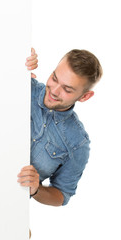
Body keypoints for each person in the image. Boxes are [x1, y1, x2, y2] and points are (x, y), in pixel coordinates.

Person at [17, 48, 103, 206]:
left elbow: (62, 195)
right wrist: (17, 58)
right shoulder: (21, 86)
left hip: (7, 213)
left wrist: (36, 189)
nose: (54, 91)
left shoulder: (78, 143)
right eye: (54, 78)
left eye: (67, 89)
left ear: (85, 96)